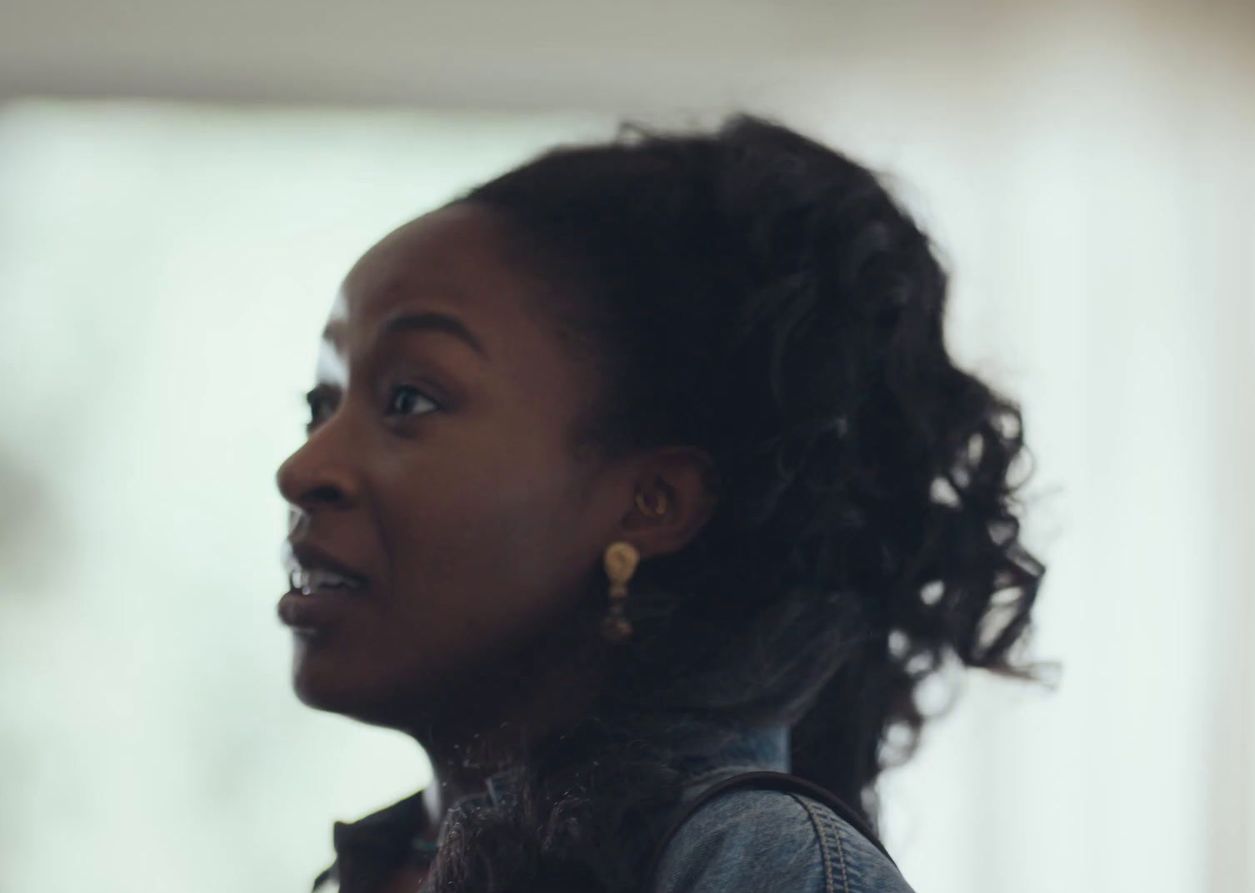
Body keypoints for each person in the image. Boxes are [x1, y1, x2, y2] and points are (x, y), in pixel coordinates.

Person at [274, 114, 1046, 893]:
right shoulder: (384, 864)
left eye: (410, 397)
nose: (304, 467)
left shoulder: (756, 865)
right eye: (321, 405)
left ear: (652, 501)